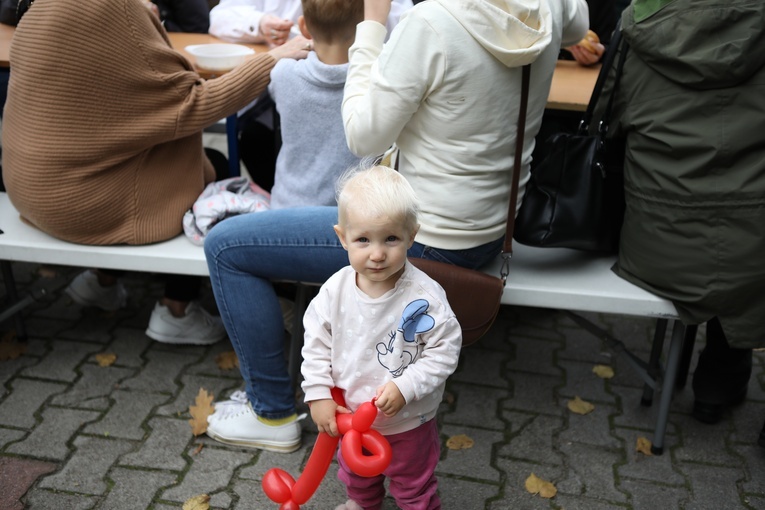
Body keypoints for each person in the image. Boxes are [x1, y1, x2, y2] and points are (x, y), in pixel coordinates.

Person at [203, 0, 588, 452]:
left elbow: (363, 135)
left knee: (225, 245)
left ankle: (269, 414)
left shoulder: (430, 22)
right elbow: (577, 25)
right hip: (490, 233)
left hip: (415, 240)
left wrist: (371, 28)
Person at [1, 0, 311, 344]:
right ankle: (176, 311)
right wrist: (271, 60)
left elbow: (138, 95)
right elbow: (189, 104)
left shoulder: (41, 5)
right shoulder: (113, 8)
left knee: (189, 156)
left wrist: (144, 19)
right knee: (214, 173)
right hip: (78, 207)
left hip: (30, 193)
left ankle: (101, 281)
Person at [595, 0, 765, 446]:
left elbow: (608, 124)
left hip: (656, 245)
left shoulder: (641, 22)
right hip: (754, 254)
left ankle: (698, 381)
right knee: (745, 257)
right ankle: (718, 382)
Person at [301, 164, 461, 510]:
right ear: (342, 236)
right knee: (355, 473)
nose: (377, 253)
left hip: (407, 421)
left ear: (411, 235)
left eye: (391, 239)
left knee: (412, 481)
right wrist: (317, 393)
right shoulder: (334, 291)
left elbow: (444, 351)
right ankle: (363, 503)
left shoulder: (425, 297)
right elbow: (315, 343)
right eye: (363, 240)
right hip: (350, 414)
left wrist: (407, 386)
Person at [208, 0, 412, 192]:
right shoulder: (381, 78)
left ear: (303, 27)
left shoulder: (282, 73)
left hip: (287, 204)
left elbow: (405, 21)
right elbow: (221, 16)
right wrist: (260, 23)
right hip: (362, 212)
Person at [266, 0, 363, 210]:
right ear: (365, 26)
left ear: (303, 27)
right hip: (353, 218)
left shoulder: (283, 73)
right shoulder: (375, 79)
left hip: (286, 210)